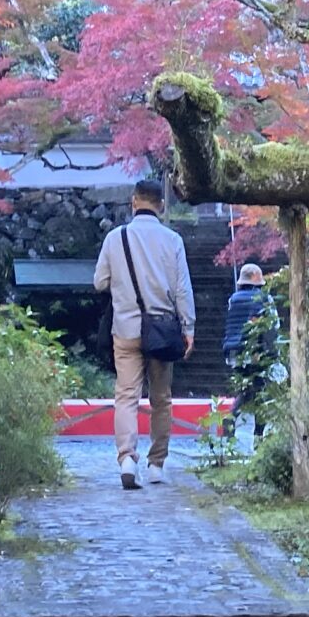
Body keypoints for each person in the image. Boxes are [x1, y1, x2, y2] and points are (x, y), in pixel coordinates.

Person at [90, 179, 195, 489]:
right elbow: (182, 289)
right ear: (160, 205)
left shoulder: (114, 238)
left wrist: (124, 287)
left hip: (125, 329)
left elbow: (99, 282)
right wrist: (188, 327)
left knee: (126, 396)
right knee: (161, 398)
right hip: (161, 330)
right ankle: (156, 465)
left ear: (134, 202)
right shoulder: (172, 239)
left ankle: (126, 458)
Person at [223, 262, 279, 435]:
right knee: (262, 393)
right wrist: (272, 353)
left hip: (234, 354)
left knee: (247, 392)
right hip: (256, 354)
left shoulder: (233, 300)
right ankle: (257, 434)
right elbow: (272, 326)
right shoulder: (264, 299)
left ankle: (230, 424)